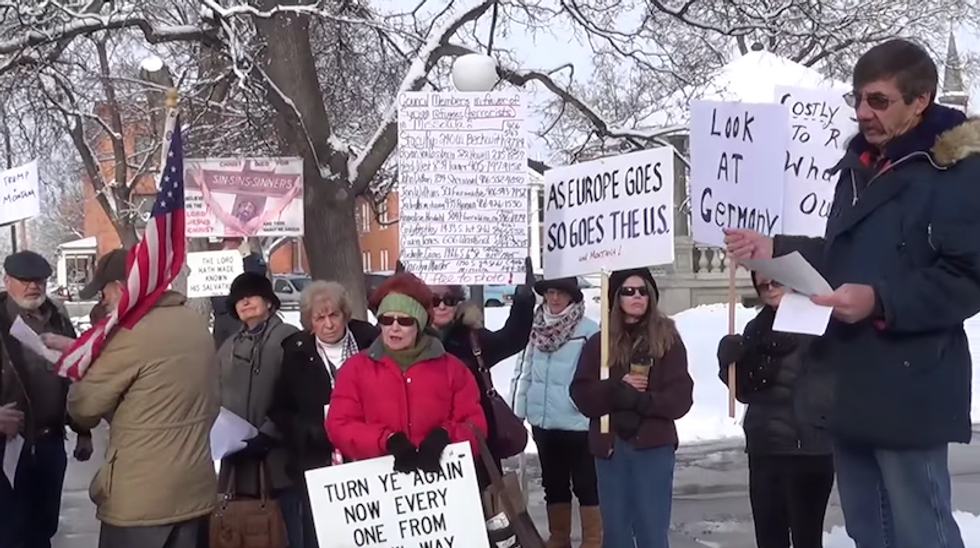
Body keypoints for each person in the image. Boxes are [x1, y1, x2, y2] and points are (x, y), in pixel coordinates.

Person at [724, 39, 980, 548]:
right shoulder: (858, 167)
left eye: (878, 100)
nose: (863, 112)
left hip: (911, 384)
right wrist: (775, 246)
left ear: (921, 100)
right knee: (868, 530)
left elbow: (967, 278)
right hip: (845, 380)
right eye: (857, 99)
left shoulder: (957, 172)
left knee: (919, 531)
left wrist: (879, 301)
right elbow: (843, 253)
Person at [56, 249, 218, 548]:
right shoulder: (193, 324)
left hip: (140, 498)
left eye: (104, 292)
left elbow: (83, 407)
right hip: (194, 487)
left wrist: (86, 363)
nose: (102, 300)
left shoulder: (127, 334)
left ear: (120, 287)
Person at [570, 268, 693, 548]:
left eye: (643, 290)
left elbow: (681, 397)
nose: (637, 296)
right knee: (616, 534)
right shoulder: (599, 344)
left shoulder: (667, 341)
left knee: (652, 532)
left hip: (653, 446)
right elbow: (580, 394)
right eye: (628, 291)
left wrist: (642, 401)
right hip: (610, 447)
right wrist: (614, 389)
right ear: (616, 298)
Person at [716, 273, 834, 548]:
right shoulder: (756, 328)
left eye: (775, 282)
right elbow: (744, 390)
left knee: (807, 539)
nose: (768, 289)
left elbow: (824, 385)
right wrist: (729, 364)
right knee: (769, 538)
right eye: (761, 284)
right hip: (764, 447)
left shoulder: (817, 322)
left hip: (807, 449)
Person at [326, 272, 487, 471]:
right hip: (379, 485)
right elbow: (339, 425)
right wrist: (386, 441)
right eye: (387, 320)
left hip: (441, 486)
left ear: (418, 325)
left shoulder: (453, 369)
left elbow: (476, 425)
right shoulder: (355, 369)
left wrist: (446, 436)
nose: (394, 328)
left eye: (404, 321)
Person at [269, 280, 378, 548]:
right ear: (309, 322)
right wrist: (307, 430)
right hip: (319, 462)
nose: (328, 324)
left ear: (345, 315)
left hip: (370, 457)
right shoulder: (295, 352)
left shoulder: (371, 342)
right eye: (320, 318)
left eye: (334, 315)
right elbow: (279, 409)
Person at [0, 250, 92, 548]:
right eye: (24, 281)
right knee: (11, 532)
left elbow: (75, 377)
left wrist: (82, 429)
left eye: (39, 281)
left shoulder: (58, 318)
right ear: (7, 280)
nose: (33, 287)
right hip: (7, 446)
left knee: (43, 528)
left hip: (50, 442)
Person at [511, 277, 600, 548]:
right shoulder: (535, 328)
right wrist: (518, 412)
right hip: (544, 422)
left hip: (578, 422)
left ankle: (593, 540)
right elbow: (523, 371)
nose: (555, 298)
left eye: (561, 293)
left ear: (572, 296)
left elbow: (597, 376)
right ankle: (559, 539)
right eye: (550, 292)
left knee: (586, 485)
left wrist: (584, 406)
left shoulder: (589, 330)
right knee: (554, 484)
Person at [429, 258, 535, 482]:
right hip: (427, 442)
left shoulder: (472, 338)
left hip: (475, 443)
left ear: (458, 302)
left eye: (448, 300)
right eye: (434, 300)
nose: (441, 306)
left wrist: (524, 299)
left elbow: (512, 339)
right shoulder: (408, 340)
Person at [216, 272, 301, 546]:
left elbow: (296, 394)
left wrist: (269, 433)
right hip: (238, 462)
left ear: (269, 302)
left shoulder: (290, 339)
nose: (245, 302)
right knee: (242, 531)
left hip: (280, 459)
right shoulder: (228, 347)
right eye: (239, 299)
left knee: (284, 530)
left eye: (252, 295)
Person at [211, 237, 268, 348]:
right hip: (221, 316)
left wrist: (247, 257)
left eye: (231, 240)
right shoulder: (216, 260)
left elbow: (256, 278)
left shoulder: (253, 259)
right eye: (225, 240)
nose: (227, 244)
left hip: (241, 316)